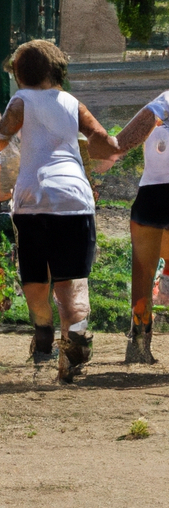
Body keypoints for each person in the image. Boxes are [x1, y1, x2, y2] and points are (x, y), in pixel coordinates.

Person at [0, 40, 118, 381]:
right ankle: (72, 341)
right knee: (71, 281)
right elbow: (100, 137)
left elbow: (1, 137)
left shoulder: (21, 99)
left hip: (32, 200)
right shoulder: (72, 102)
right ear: (56, 69)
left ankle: (44, 331)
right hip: (73, 200)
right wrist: (113, 153)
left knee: (36, 274)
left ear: (19, 73)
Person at [102, 90, 169, 363]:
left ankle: (140, 345)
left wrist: (109, 153)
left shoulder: (166, 100)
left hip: (152, 195)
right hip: (151, 193)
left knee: (143, 271)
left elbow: (126, 140)